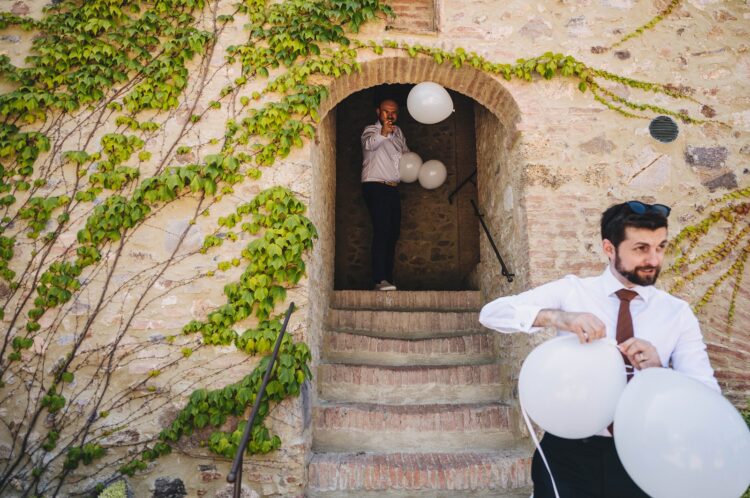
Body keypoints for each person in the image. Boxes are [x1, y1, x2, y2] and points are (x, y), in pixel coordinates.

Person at [478, 200, 720, 498]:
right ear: (609, 248)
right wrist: (558, 317)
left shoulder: (677, 313)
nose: (654, 259)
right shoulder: (573, 291)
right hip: (569, 452)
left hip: (646, 453)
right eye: (641, 248)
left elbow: (708, 395)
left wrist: (660, 371)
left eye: (661, 247)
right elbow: (491, 313)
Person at [361, 98, 409, 291]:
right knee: (382, 230)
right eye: (386, 112)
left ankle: (387, 278)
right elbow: (369, 145)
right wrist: (383, 133)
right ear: (378, 112)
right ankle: (379, 279)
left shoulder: (399, 133)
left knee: (393, 232)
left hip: (392, 187)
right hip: (375, 186)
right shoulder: (370, 130)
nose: (390, 115)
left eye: (394, 112)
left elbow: (406, 155)